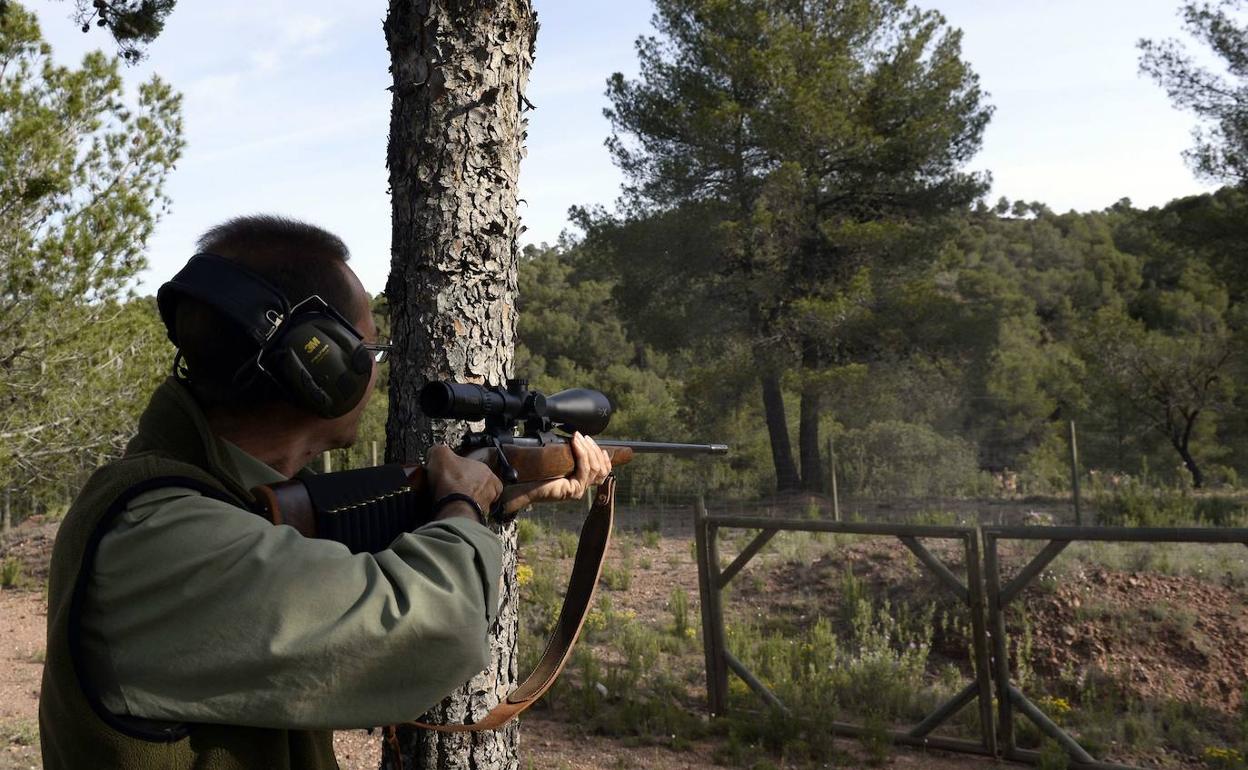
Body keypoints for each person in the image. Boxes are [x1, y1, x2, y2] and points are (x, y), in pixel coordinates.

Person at [38, 215, 611, 769]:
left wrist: (497, 495)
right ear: (326, 366)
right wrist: (459, 507)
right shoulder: (161, 538)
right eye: (370, 352)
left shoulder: (215, 494)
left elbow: (312, 552)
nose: (375, 369)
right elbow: (439, 628)